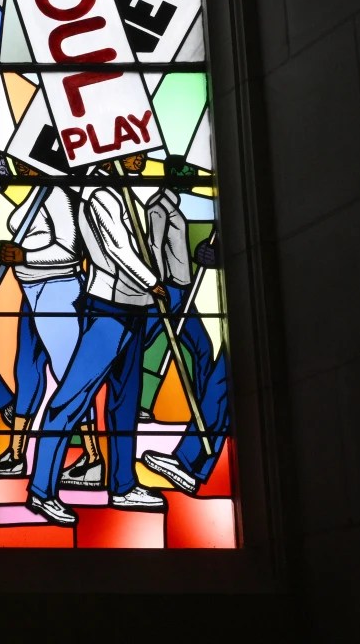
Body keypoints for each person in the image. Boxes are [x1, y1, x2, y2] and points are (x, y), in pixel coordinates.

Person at [25, 153, 167, 526]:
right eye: (135, 151)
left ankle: (123, 484)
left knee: (124, 401)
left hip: (134, 306)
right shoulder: (101, 193)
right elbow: (119, 250)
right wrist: (154, 283)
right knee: (73, 397)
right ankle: (41, 491)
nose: (143, 157)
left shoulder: (121, 190)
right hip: (109, 305)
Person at [0, 157, 102, 486]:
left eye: (27, 162)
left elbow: (69, 250)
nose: (20, 167)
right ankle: (15, 453)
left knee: (71, 376)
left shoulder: (58, 195)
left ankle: (93, 458)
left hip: (58, 292)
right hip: (32, 292)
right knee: (27, 375)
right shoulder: (36, 190)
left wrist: (24, 256)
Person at [138, 183, 227, 494]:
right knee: (143, 343)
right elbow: (154, 242)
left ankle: (192, 461)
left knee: (209, 363)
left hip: (179, 289)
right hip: (168, 289)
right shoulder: (159, 205)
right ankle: (191, 460)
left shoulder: (176, 204)